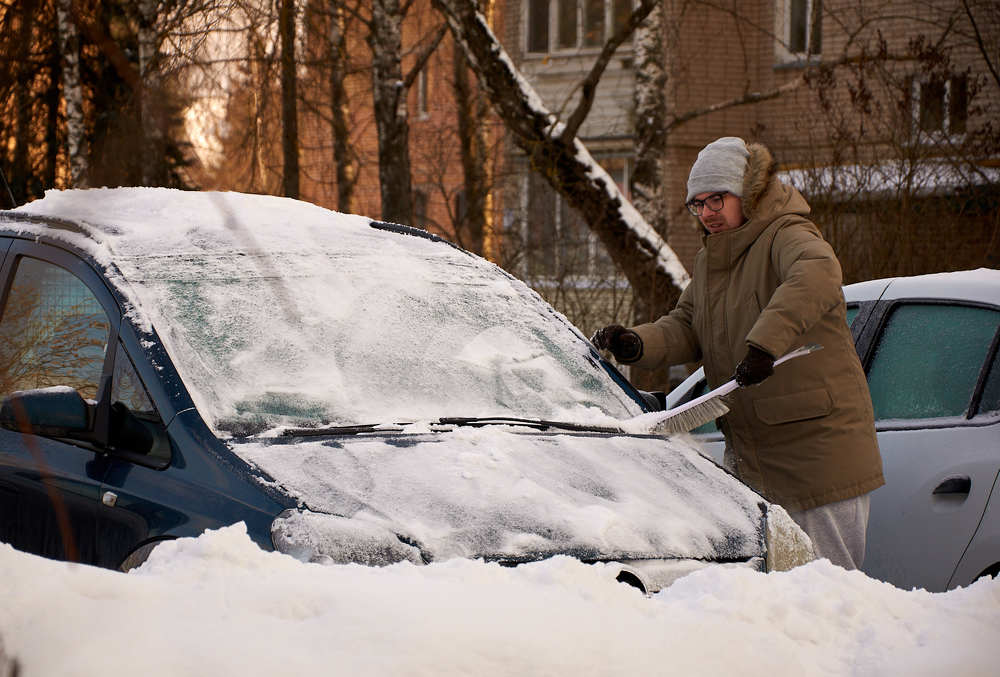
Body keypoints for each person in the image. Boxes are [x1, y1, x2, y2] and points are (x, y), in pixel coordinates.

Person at [593, 137, 884, 570]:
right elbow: (687, 324)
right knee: (771, 605)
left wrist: (764, 343)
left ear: (746, 195)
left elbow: (817, 274)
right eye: (698, 204)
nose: (708, 212)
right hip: (753, 462)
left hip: (817, 458)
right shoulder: (714, 261)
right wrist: (636, 343)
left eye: (718, 199)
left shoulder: (788, 233)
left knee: (828, 596)